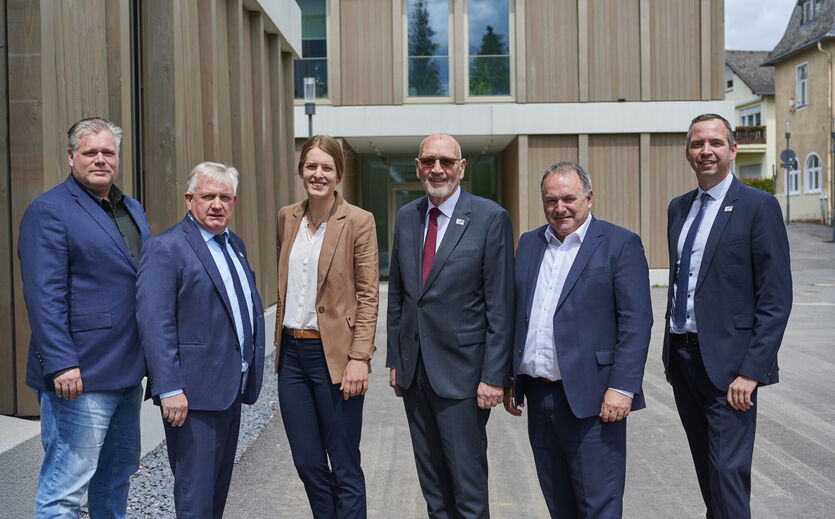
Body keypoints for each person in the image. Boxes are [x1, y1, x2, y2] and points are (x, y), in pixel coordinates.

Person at [17, 117, 151, 518]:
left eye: (107, 152)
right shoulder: (49, 211)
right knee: (65, 488)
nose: (100, 159)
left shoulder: (131, 209)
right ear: (71, 156)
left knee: (116, 477)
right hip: (78, 376)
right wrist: (61, 363)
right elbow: (44, 296)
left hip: (127, 373)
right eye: (90, 152)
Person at [504, 161, 653, 518]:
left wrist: (623, 387)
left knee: (597, 506)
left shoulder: (620, 244)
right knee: (560, 505)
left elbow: (636, 322)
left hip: (594, 400)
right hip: (540, 398)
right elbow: (516, 314)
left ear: (589, 197)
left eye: (568, 199)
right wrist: (508, 377)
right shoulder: (528, 244)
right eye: (551, 200)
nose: (560, 208)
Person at [663, 113, 792, 518]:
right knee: (708, 472)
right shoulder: (678, 209)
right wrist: (670, 353)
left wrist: (752, 371)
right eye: (698, 143)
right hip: (684, 361)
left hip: (732, 368)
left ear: (732, 150)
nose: (706, 151)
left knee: (728, 473)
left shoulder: (758, 206)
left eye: (716, 143)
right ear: (687, 152)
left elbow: (775, 298)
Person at [386, 133, 514, 518]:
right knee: (435, 492)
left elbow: (501, 305)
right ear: (417, 167)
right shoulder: (408, 217)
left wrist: (494, 376)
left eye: (445, 160)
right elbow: (400, 297)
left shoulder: (490, 218)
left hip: (463, 376)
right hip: (415, 376)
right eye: (428, 161)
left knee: (467, 491)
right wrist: (397, 359)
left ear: (462, 168)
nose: (436, 169)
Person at [136, 162, 265, 519]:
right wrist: (169, 387)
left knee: (216, 497)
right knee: (195, 501)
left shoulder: (234, 244)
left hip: (230, 392)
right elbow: (155, 323)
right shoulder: (166, 248)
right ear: (189, 199)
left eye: (225, 197)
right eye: (208, 196)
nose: (217, 204)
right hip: (192, 398)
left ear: (234, 201)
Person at [274, 135, 379, 518]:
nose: (318, 174)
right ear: (301, 170)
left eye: (326, 168)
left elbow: (369, 296)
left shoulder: (358, 221)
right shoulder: (287, 217)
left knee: (345, 462)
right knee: (308, 463)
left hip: (334, 359)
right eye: (311, 166)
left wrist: (359, 358)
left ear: (338, 174)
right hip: (292, 357)